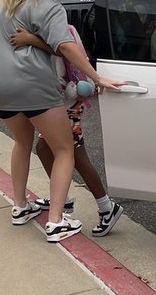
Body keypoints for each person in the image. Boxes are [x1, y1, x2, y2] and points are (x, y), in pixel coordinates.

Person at [0, 0, 124, 243]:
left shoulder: (9, 5)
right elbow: (66, 46)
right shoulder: (48, 6)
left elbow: (48, 44)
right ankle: (57, 221)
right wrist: (98, 77)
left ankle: (20, 206)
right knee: (65, 150)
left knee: (23, 142)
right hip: (33, 87)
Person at [8, 18, 124, 237]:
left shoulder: (58, 33)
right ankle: (65, 200)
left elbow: (62, 51)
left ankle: (106, 207)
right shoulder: (44, 31)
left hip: (66, 104)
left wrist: (31, 39)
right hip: (54, 105)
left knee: (75, 156)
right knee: (46, 149)